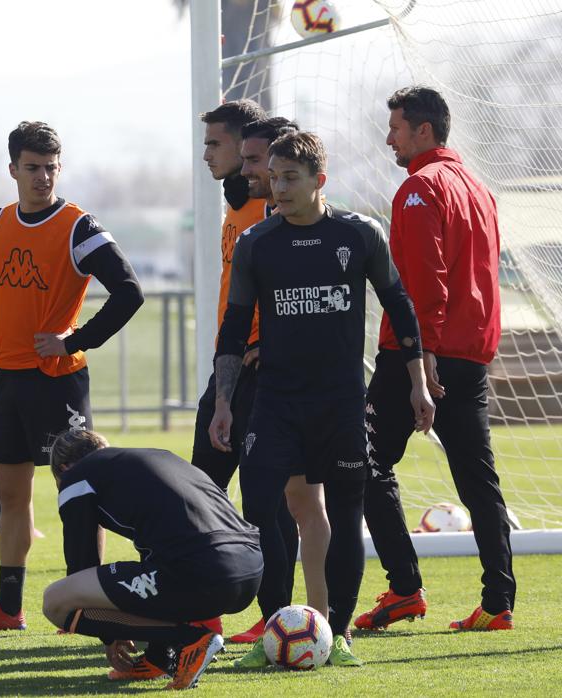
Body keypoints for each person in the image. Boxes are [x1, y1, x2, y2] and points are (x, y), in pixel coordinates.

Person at [210, 131, 434, 668]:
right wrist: (223, 401)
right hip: (276, 403)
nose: (278, 188)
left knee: (347, 512)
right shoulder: (257, 242)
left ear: (319, 181)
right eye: (274, 177)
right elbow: (234, 328)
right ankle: (275, 628)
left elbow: (399, 304)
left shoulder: (359, 234)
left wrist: (418, 381)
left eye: (291, 178)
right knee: (261, 510)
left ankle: (338, 633)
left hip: (340, 405)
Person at [0, 121, 143, 632]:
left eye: (51, 168)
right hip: (9, 382)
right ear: (12, 169)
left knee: (80, 494)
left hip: (59, 382)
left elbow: (129, 291)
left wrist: (74, 340)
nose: (43, 177)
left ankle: (86, 606)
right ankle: (8, 609)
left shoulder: (79, 226)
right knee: (11, 497)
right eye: (33, 168)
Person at [357, 86, 515, 632]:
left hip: (420, 354)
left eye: (395, 128)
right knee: (478, 480)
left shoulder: (420, 187)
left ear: (422, 131)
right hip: (470, 355)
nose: (389, 139)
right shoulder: (479, 188)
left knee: (362, 462)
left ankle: (405, 589)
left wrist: (419, 362)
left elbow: (426, 284)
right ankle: (498, 603)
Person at [189, 100, 298, 643]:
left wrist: (268, 344)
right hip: (228, 366)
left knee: (271, 502)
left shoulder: (278, 209)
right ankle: (201, 610)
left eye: (216, 144)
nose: (207, 154)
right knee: (200, 488)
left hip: (267, 372)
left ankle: (279, 615)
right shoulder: (236, 207)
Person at [42, 430, 262, 689]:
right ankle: (160, 659)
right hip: (250, 568)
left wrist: (111, 632)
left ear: (64, 468)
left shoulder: (75, 477)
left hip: (204, 570)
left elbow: (80, 568)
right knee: (154, 572)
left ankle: (190, 639)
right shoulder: (155, 457)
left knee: (56, 601)